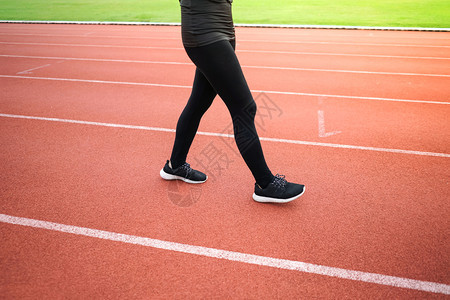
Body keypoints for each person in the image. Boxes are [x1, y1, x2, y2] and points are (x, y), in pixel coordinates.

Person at [160, 0, 305, 203]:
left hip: (222, 31)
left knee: (198, 103)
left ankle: (175, 166)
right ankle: (265, 184)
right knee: (245, 109)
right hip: (205, 34)